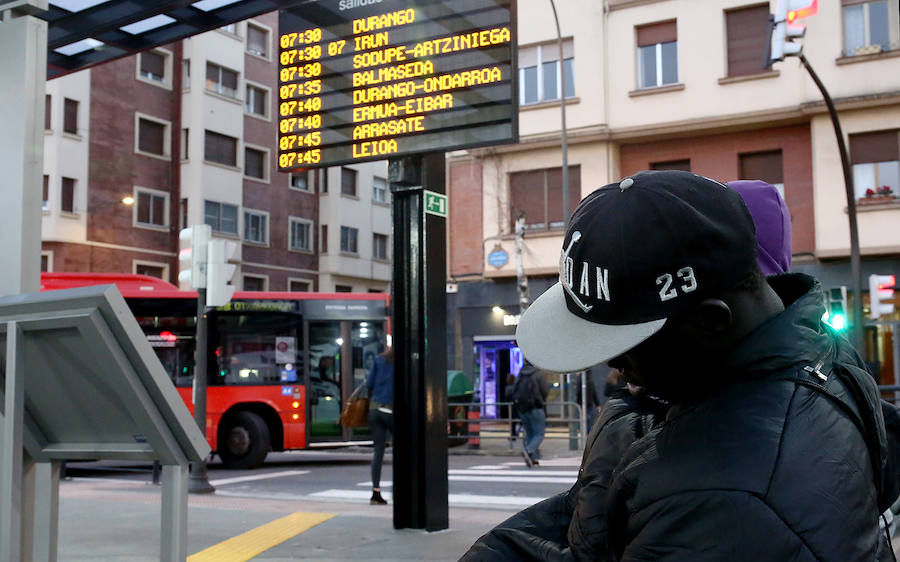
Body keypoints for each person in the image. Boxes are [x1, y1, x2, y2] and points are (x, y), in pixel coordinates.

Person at [463, 171, 898, 560]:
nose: (614, 363)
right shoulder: (821, 352)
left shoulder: (726, 502)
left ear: (710, 321)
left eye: (628, 342)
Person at [366, 346, 393, 505]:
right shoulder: (402, 362)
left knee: (378, 452)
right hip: (392, 410)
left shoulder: (379, 360)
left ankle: (375, 492)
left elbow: (369, 384)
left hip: (375, 409)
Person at [512, 360, 549, 468]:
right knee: (539, 433)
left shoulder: (521, 373)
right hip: (536, 407)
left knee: (529, 433)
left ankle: (532, 459)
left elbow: (514, 390)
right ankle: (528, 451)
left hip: (522, 408)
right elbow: (545, 390)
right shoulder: (538, 374)